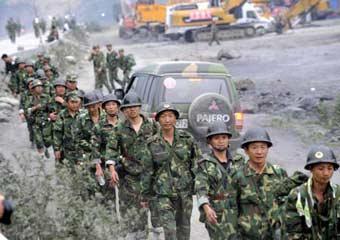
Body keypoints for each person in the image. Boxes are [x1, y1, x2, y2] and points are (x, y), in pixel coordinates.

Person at [142, 103, 201, 240]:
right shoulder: (152, 143)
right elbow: (147, 171)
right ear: (158, 120)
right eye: (163, 116)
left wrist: (198, 188)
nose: (167, 120)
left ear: (176, 119)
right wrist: (145, 195)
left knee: (184, 230)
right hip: (163, 194)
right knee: (169, 230)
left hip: (184, 193)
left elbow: (196, 164)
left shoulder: (187, 140)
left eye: (170, 116)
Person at [105, 91, 158, 239]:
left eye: (135, 106)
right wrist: (111, 169)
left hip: (151, 175)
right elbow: (111, 150)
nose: (132, 109)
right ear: (123, 111)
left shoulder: (153, 126)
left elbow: (163, 147)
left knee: (156, 213)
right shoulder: (119, 129)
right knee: (132, 213)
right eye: (128, 107)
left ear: (140, 108)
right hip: (130, 177)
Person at [227, 127, 288, 239]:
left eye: (263, 147)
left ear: (268, 149)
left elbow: (286, 205)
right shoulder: (237, 176)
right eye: (254, 148)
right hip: (245, 236)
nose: (259, 152)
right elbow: (230, 209)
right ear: (246, 150)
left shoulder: (279, 173)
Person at [195, 121, 244, 239]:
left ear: (228, 140)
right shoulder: (204, 163)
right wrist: (206, 208)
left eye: (224, 137)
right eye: (216, 138)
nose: (221, 141)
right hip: (217, 211)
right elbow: (200, 187)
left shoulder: (239, 160)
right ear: (210, 141)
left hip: (238, 210)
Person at [285, 145, 340, 239]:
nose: (326, 173)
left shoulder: (338, 194)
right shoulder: (297, 196)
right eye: (321, 169)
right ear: (311, 169)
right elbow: (292, 233)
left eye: (330, 168)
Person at [91, 93, 121, 184]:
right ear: (104, 108)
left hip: (123, 161)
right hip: (105, 162)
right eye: (108, 105)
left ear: (118, 106)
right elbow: (95, 147)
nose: (111, 107)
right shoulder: (99, 126)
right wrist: (98, 166)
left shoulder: (124, 124)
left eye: (113, 104)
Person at [53, 91, 82, 165]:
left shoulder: (83, 114)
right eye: (72, 102)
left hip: (81, 149)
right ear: (67, 103)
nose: (74, 105)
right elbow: (57, 133)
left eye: (77, 102)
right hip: (67, 150)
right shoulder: (62, 115)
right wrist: (57, 149)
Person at [25, 79, 51, 157]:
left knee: (47, 140)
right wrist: (35, 107)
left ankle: (46, 150)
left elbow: (52, 107)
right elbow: (27, 110)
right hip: (35, 121)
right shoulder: (30, 98)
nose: (39, 88)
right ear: (33, 88)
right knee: (39, 140)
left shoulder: (47, 97)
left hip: (46, 121)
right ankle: (41, 157)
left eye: (40, 86)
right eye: (37, 87)